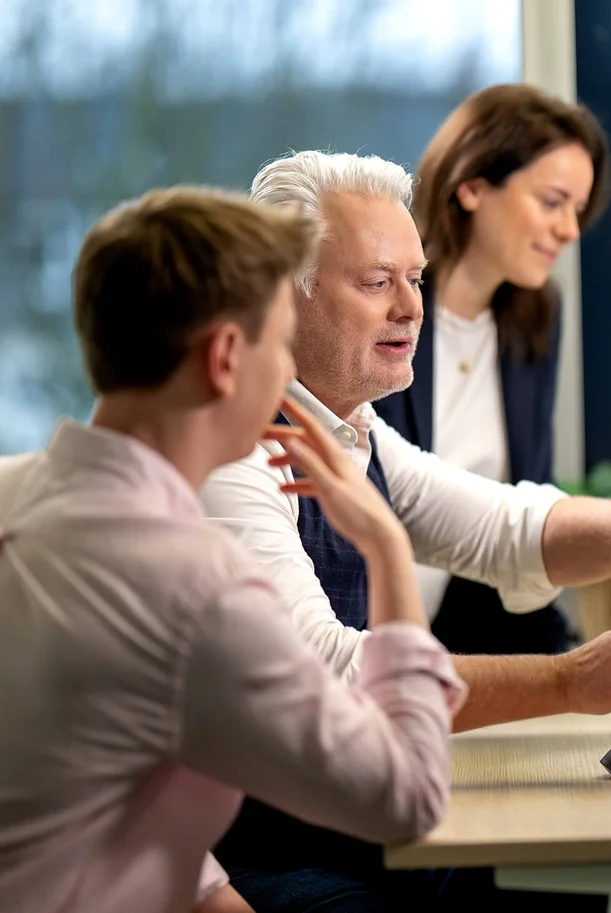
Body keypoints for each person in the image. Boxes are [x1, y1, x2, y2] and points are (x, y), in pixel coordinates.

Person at [199, 148, 611, 912]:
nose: (410, 309)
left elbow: (508, 527)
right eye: (377, 283)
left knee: (556, 879)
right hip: (265, 856)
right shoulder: (236, 456)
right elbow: (330, 681)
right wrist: (570, 680)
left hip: (355, 820)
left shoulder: (350, 432)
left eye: (414, 279)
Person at [0, 187, 469, 913]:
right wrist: (384, 545)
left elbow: (76, 776)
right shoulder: (199, 586)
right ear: (225, 358)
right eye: (280, 345)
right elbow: (408, 797)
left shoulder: (13, 494)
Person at [373, 83, 610, 655]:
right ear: (473, 186)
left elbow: (518, 508)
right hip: (360, 636)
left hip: (460, 643)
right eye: (553, 202)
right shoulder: (379, 305)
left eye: (577, 210)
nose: (571, 231)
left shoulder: (535, 317)